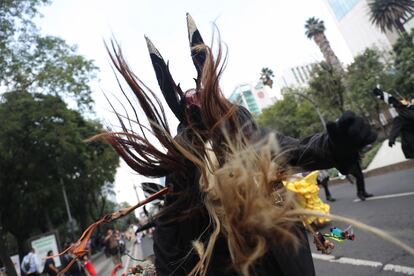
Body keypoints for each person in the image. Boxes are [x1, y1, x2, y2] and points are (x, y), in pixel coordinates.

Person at [97, 14, 376, 275]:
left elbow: (301, 150)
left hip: (284, 259)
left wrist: (339, 142)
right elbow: (171, 243)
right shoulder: (181, 167)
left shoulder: (247, 135)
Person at [373, 87, 414, 158]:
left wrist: (391, 139)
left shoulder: (402, 116)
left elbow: (395, 102)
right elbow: (394, 102)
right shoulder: (404, 114)